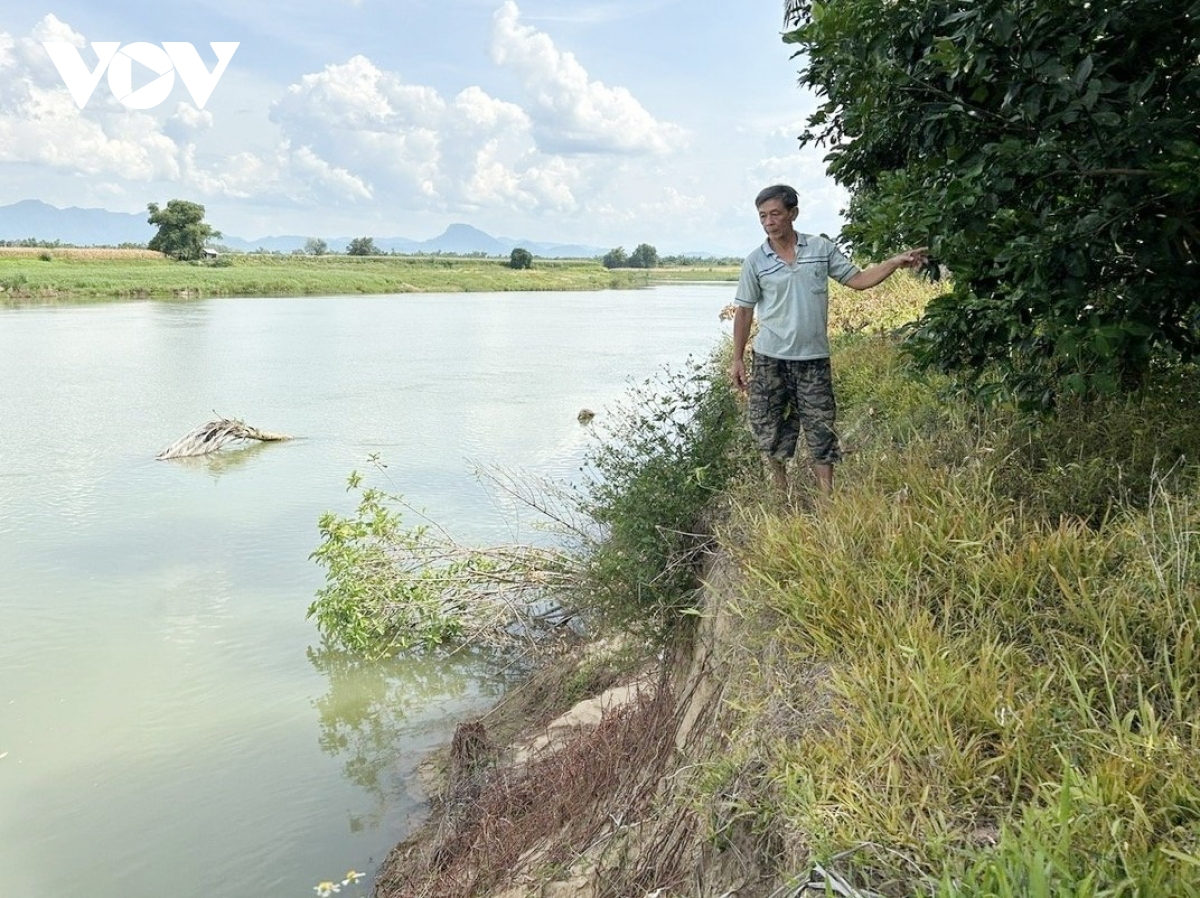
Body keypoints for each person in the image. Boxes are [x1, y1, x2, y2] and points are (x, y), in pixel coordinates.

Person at [729, 184, 927, 496]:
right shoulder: (756, 261)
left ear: (793, 213)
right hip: (770, 358)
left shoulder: (820, 249)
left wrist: (893, 262)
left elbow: (858, 280)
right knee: (768, 427)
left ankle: (826, 499)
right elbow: (744, 312)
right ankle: (782, 492)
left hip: (812, 359)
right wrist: (737, 358)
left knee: (821, 427)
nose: (769, 221)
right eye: (763, 216)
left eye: (775, 214)